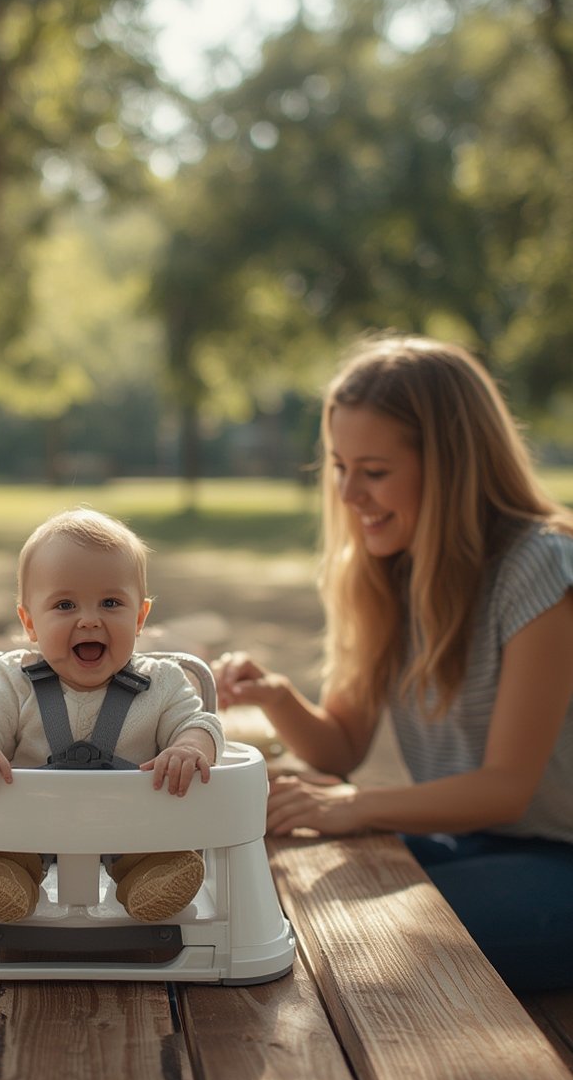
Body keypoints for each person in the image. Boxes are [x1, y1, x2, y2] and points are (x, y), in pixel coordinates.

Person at [215, 333, 573, 992]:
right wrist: (277, 698)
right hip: (479, 843)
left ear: (451, 469)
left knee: (349, 938)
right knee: (286, 885)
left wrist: (355, 804)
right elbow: (341, 745)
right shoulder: (384, 570)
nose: (350, 493)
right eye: (338, 466)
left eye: (374, 471)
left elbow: (506, 788)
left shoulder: (541, 566)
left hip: (558, 860)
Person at [0, 508, 224, 923]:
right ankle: (6, 880)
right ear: (30, 622)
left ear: (140, 617)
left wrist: (188, 748)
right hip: (27, 829)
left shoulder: (163, 682)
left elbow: (200, 724)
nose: (89, 619)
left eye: (111, 603)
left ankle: (150, 881)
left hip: (135, 830)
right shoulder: (15, 680)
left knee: (162, 852)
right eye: (65, 604)